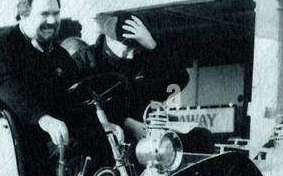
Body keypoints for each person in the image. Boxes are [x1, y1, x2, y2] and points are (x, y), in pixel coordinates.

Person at [0, 0, 111, 176]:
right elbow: (6, 88)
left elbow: (79, 94)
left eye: (56, 14)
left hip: (49, 136)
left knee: (107, 142)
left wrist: (108, 123)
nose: (52, 21)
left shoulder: (58, 54)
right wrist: (44, 118)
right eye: (44, 14)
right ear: (24, 14)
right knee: (80, 149)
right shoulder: (1, 46)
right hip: (15, 141)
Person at [67, 12, 191, 142]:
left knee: (200, 137)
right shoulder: (84, 61)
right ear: (109, 39)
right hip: (101, 137)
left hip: (144, 137)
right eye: (127, 48)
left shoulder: (145, 59)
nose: (131, 55)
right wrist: (124, 122)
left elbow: (180, 79)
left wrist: (153, 47)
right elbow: (73, 106)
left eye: (136, 49)